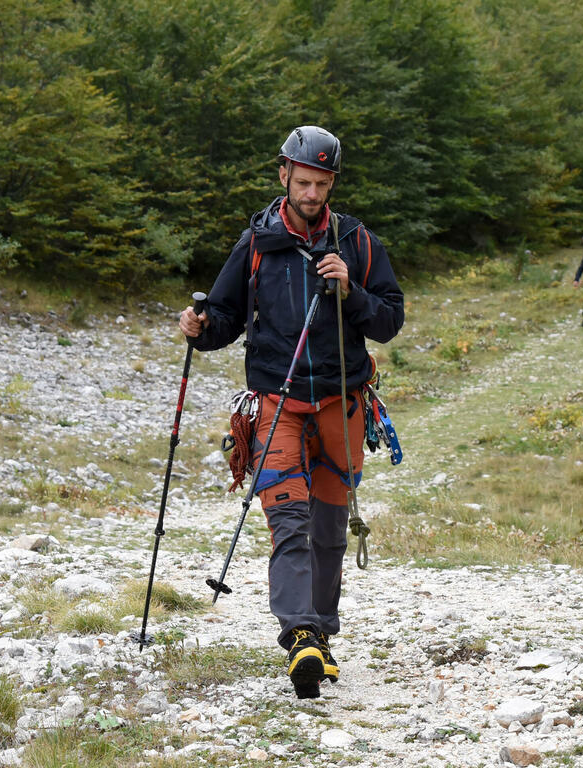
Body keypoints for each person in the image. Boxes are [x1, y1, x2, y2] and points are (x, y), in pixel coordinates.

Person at [178, 126, 404, 700]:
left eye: (321, 183)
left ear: (332, 183)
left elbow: (389, 320)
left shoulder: (356, 241)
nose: (311, 193)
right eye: (303, 181)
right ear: (284, 175)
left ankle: (321, 635)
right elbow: (225, 316)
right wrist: (199, 330)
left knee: (328, 528)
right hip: (275, 401)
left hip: (341, 400)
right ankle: (300, 632)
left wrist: (351, 292)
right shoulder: (256, 241)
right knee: (289, 518)